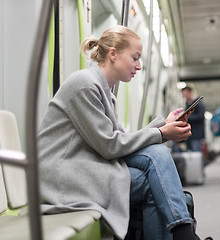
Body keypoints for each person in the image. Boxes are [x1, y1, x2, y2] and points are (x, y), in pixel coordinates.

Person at [38, 25, 204, 240]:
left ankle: (183, 233)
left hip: (85, 167)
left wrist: (163, 126)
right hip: (64, 177)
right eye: (135, 58)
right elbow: (111, 147)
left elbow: (120, 142)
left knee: (156, 157)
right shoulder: (84, 85)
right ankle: (184, 233)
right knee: (154, 183)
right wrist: (162, 133)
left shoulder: (103, 90)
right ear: (113, 54)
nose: (139, 65)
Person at [181, 86, 206, 152]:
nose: (184, 97)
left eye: (185, 94)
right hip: (188, 134)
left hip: (196, 135)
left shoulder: (199, 104)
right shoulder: (187, 104)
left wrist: (187, 117)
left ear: (190, 93)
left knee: (197, 155)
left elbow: (200, 117)